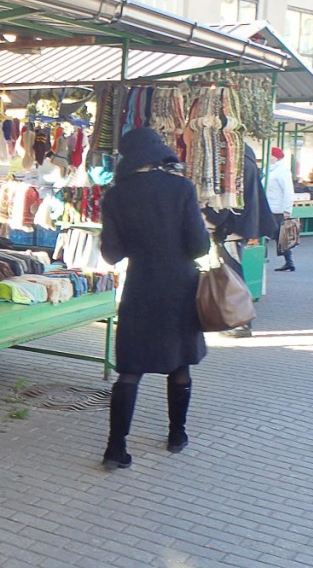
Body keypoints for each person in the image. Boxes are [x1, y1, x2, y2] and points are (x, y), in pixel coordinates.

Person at [100, 128, 210, 470]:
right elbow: (199, 246)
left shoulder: (115, 195)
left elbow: (111, 254)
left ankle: (115, 449)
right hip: (180, 285)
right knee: (179, 364)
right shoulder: (181, 188)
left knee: (130, 369)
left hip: (141, 286)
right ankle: (177, 434)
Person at [203, 145, 278, 338]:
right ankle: (237, 320)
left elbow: (231, 199)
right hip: (241, 224)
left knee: (232, 274)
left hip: (232, 226)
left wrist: (212, 216)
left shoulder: (234, 161)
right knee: (232, 272)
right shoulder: (245, 156)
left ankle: (242, 323)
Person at [266, 147, 295, 272]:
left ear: (275, 157)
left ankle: (263, 259)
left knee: (273, 235)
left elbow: (288, 191)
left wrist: (287, 209)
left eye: (270, 155)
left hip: (277, 209)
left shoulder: (282, 170)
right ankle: (289, 262)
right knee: (278, 236)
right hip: (270, 207)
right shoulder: (270, 170)